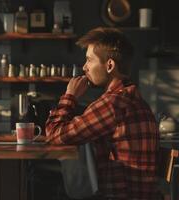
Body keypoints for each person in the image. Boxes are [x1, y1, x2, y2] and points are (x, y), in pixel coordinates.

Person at [45, 27, 159, 200]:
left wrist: (70, 96)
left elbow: (54, 135)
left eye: (89, 60)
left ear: (110, 65)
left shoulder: (112, 104)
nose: (84, 67)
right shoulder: (135, 99)